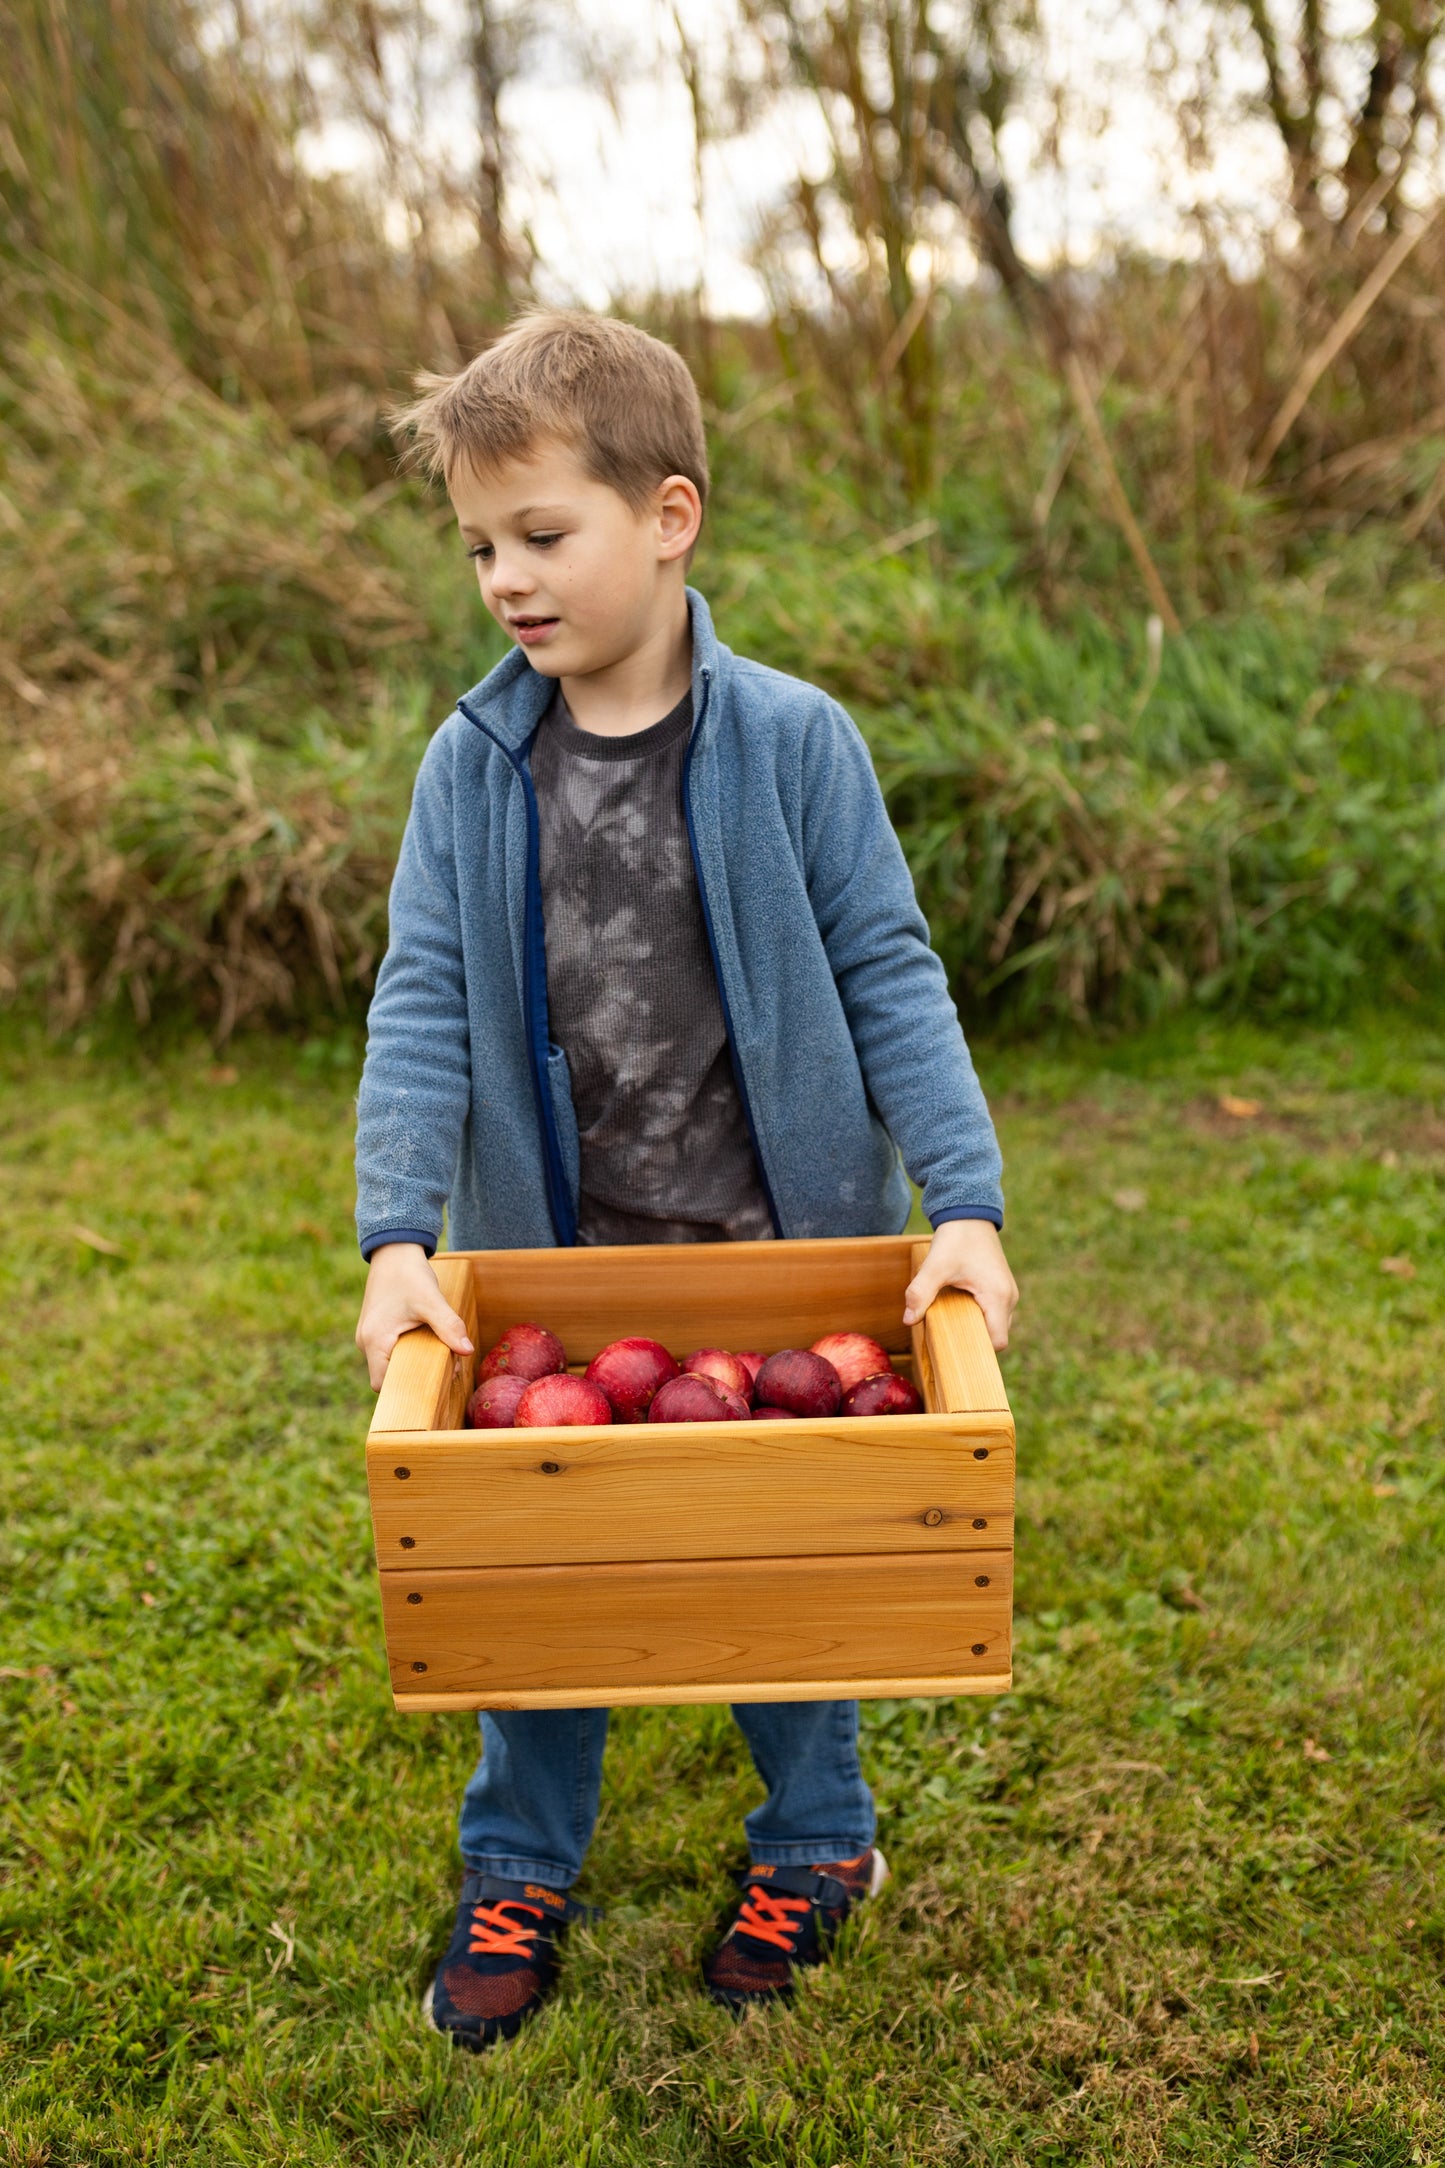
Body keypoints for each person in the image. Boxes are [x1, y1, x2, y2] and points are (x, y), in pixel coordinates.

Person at [353, 308, 1018, 2050]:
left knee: (779, 1570)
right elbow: (420, 998)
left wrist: (961, 1205)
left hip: (766, 1256)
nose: (506, 575)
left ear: (669, 515)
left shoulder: (792, 744)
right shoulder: (468, 768)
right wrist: (397, 1237)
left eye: (543, 533)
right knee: (531, 1580)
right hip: (560, 1274)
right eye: (481, 545)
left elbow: (890, 968)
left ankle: (815, 1843)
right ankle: (519, 1866)